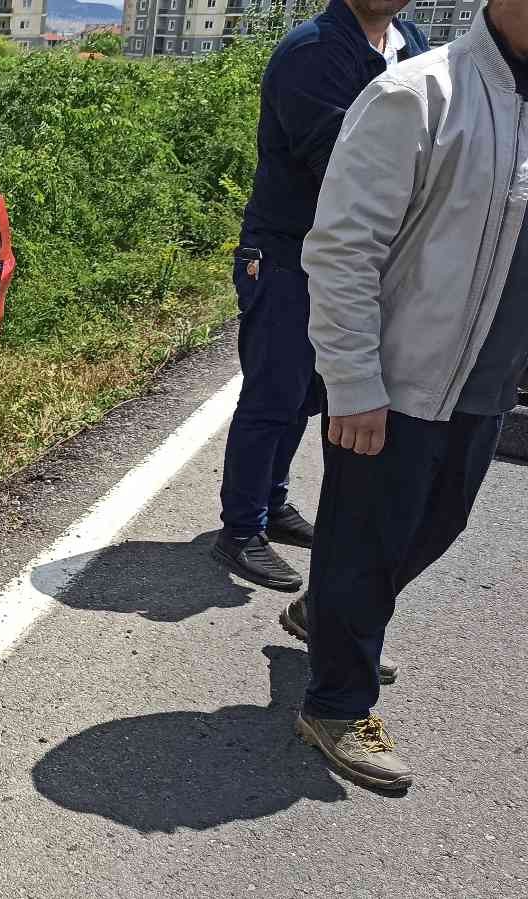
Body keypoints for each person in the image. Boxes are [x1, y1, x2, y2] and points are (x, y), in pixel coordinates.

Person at [297, 3, 528, 790]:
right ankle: (336, 701)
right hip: (399, 385)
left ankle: (327, 613)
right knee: (368, 541)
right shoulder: (420, 95)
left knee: (437, 524)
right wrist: (354, 382)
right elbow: (341, 247)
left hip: (487, 383)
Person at [212, 0, 427, 593]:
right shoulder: (316, 52)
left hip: (345, 262)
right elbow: (340, 162)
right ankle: (240, 529)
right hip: (287, 255)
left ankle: (271, 504)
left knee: (308, 393)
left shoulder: (408, 41)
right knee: (273, 395)